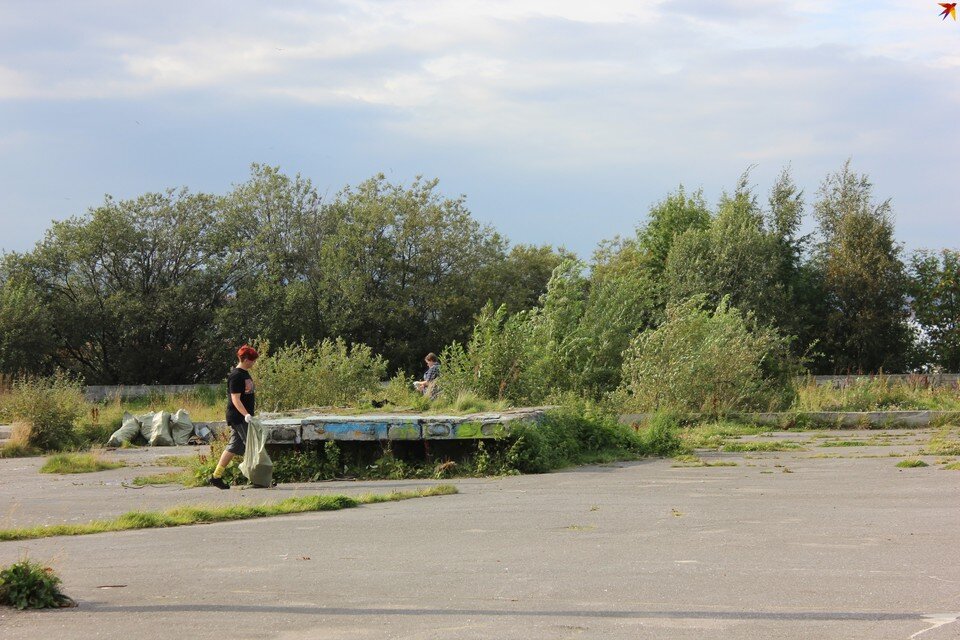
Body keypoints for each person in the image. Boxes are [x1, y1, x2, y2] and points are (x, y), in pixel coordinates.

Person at [209, 344, 259, 489]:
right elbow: (235, 399)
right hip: (239, 417)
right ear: (245, 359)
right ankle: (259, 478)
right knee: (252, 446)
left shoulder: (245, 374)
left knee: (233, 447)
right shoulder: (236, 376)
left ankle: (216, 476)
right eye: (252, 360)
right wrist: (246, 415)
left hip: (243, 416)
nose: (253, 363)